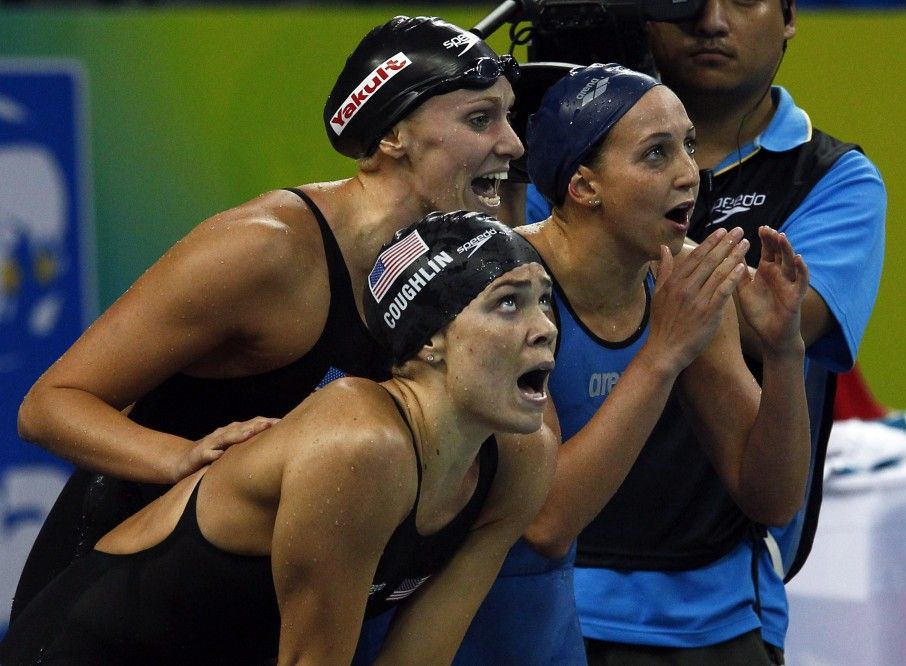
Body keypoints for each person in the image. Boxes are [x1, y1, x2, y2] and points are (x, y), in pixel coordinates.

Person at [11, 15, 532, 620]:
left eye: (509, 117)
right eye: (480, 119)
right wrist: (182, 458)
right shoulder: (268, 252)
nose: (513, 144)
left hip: (251, 614)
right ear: (393, 135)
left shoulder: (454, 266)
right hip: (114, 600)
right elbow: (50, 404)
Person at [359, 63, 814, 665]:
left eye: (688, 146)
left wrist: (784, 352)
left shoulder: (678, 283)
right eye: (656, 155)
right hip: (455, 613)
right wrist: (663, 353)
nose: (689, 174)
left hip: (563, 620)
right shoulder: (501, 286)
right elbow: (546, 521)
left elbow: (770, 498)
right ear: (583, 185)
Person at [0, 210, 559, 665]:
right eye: (508, 303)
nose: (545, 328)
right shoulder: (361, 442)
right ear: (429, 341)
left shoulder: (522, 459)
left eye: (544, 301)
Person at [564, 1, 887, 663]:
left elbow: (776, 320)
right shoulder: (563, 154)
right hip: (554, 587)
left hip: (719, 605)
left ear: (790, 16)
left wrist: (614, 251)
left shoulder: (834, 179)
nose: (711, 19)